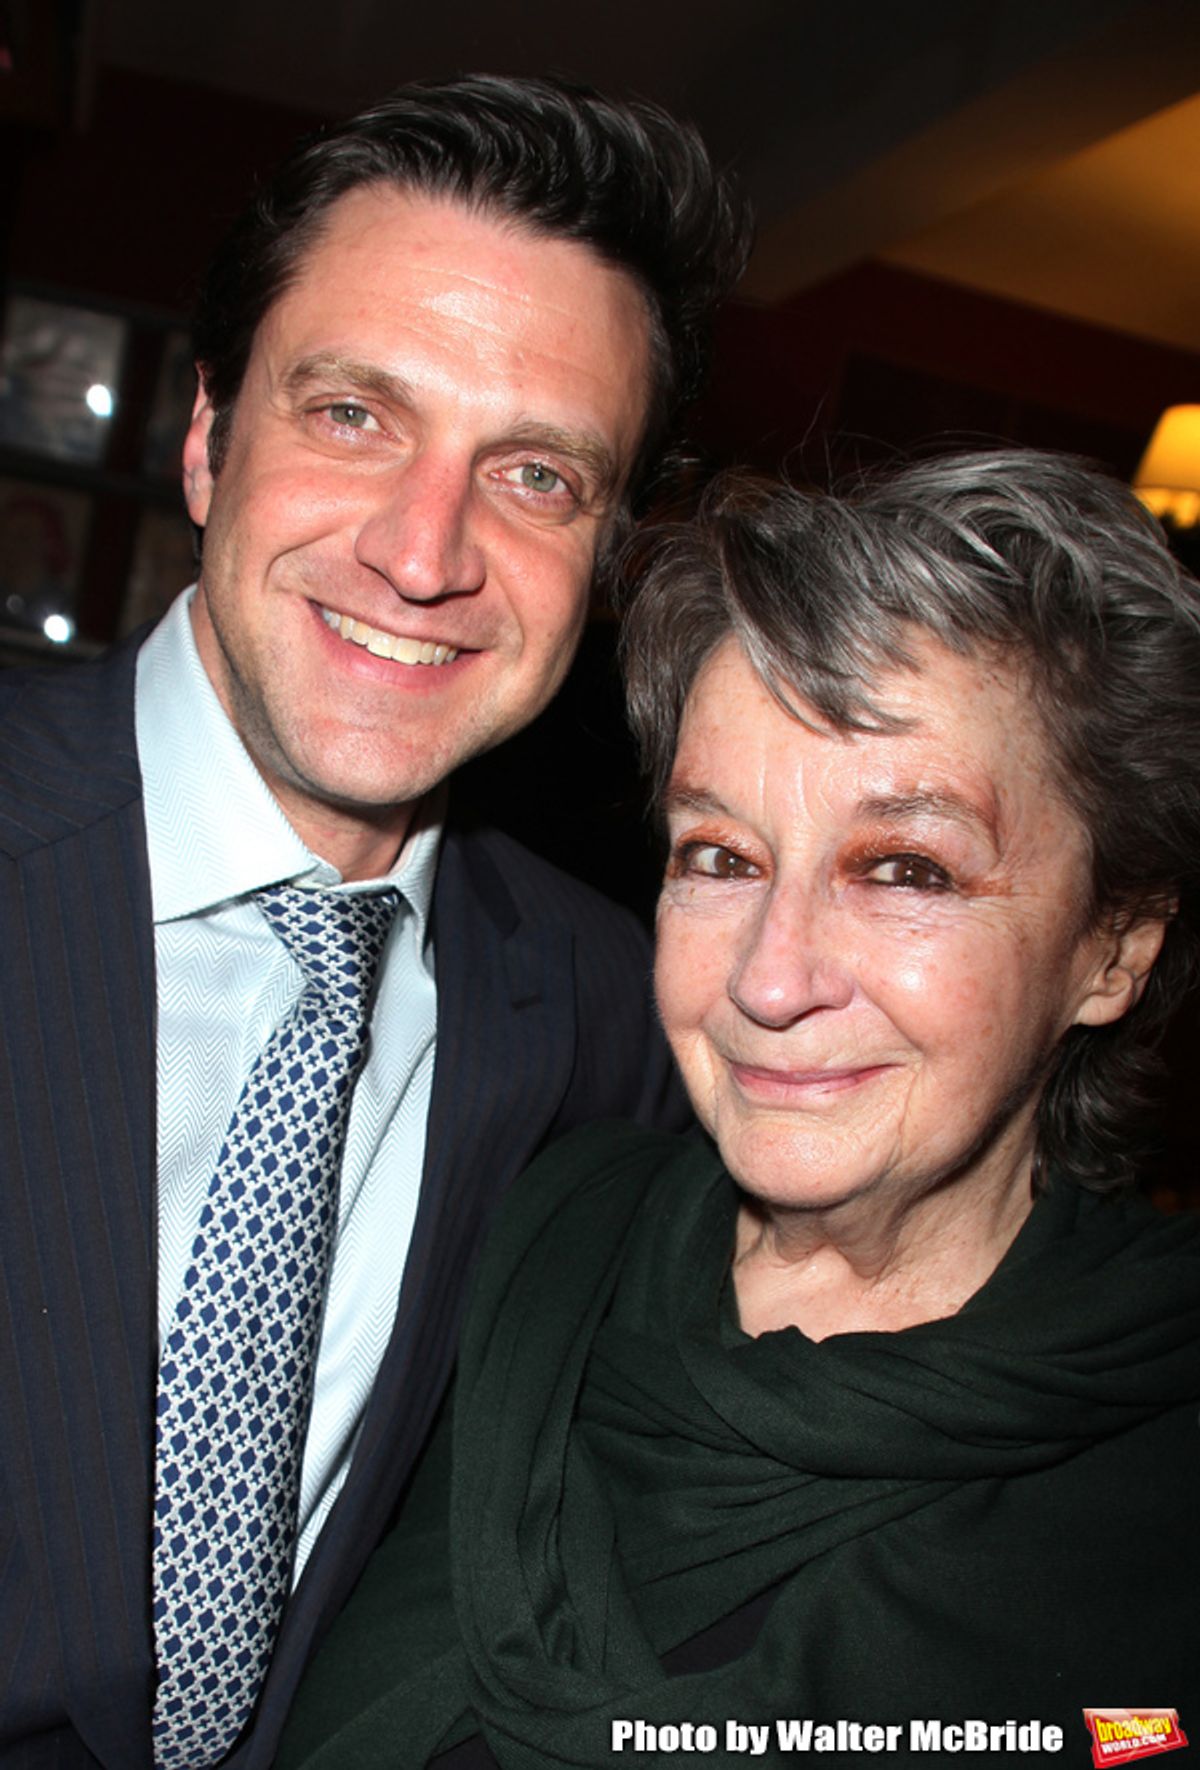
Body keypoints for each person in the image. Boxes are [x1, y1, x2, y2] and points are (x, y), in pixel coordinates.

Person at [0, 76, 749, 1770]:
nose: (426, 554)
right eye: (352, 414)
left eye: (538, 476)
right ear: (207, 439)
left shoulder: (624, 1017)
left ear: (609, 547)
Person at [278, 450, 1200, 1769]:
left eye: (905, 867)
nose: (769, 976)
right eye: (720, 855)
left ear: (1113, 947)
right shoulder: (526, 1247)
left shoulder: (1163, 1468)